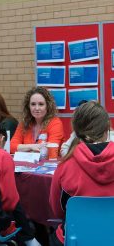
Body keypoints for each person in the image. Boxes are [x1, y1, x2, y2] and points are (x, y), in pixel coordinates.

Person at [50, 101, 114, 246]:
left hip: (75, 239)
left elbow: (58, 211)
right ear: (106, 130)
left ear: (76, 131)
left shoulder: (64, 167)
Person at [10, 86, 64, 154]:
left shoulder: (55, 123)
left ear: (48, 106)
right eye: (33, 104)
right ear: (28, 106)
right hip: (27, 164)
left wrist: (22, 148)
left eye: (41, 104)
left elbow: (51, 149)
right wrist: (31, 147)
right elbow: (11, 147)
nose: (37, 108)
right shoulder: (25, 123)